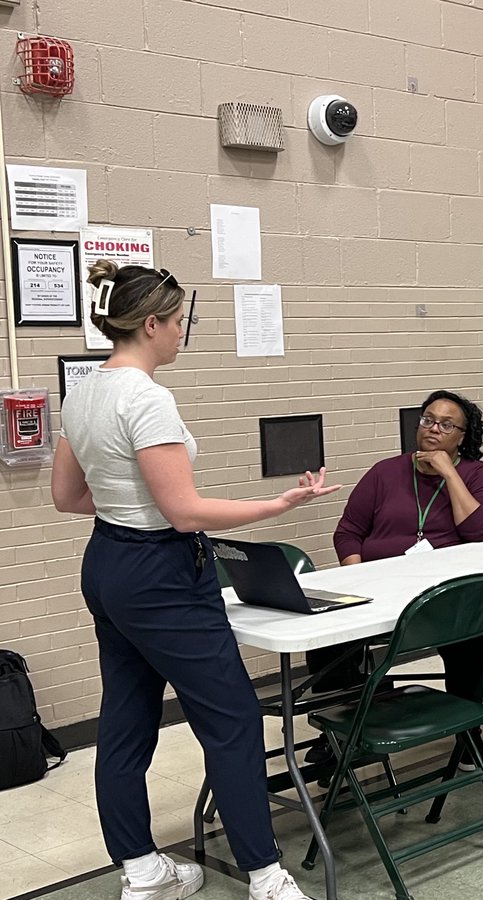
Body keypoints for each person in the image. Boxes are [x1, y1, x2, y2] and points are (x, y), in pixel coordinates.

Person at [51, 261, 333, 900]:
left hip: (108, 565)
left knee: (125, 718)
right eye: (181, 322)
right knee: (231, 719)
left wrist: (129, 506)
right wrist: (279, 507)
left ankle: (142, 871)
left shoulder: (84, 390)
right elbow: (184, 511)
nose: (185, 333)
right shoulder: (146, 398)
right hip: (161, 572)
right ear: (151, 324)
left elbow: (68, 497)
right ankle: (265, 875)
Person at [306, 390, 483, 765]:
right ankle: (342, 726)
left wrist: (449, 473)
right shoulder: (385, 472)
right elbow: (348, 532)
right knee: (326, 637)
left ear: (463, 435)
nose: (433, 429)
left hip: (441, 595)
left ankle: (467, 729)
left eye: (447, 425)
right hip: (378, 589)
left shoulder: (478, 475)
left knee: (474, 636)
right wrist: (358, 575)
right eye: (427, 419)